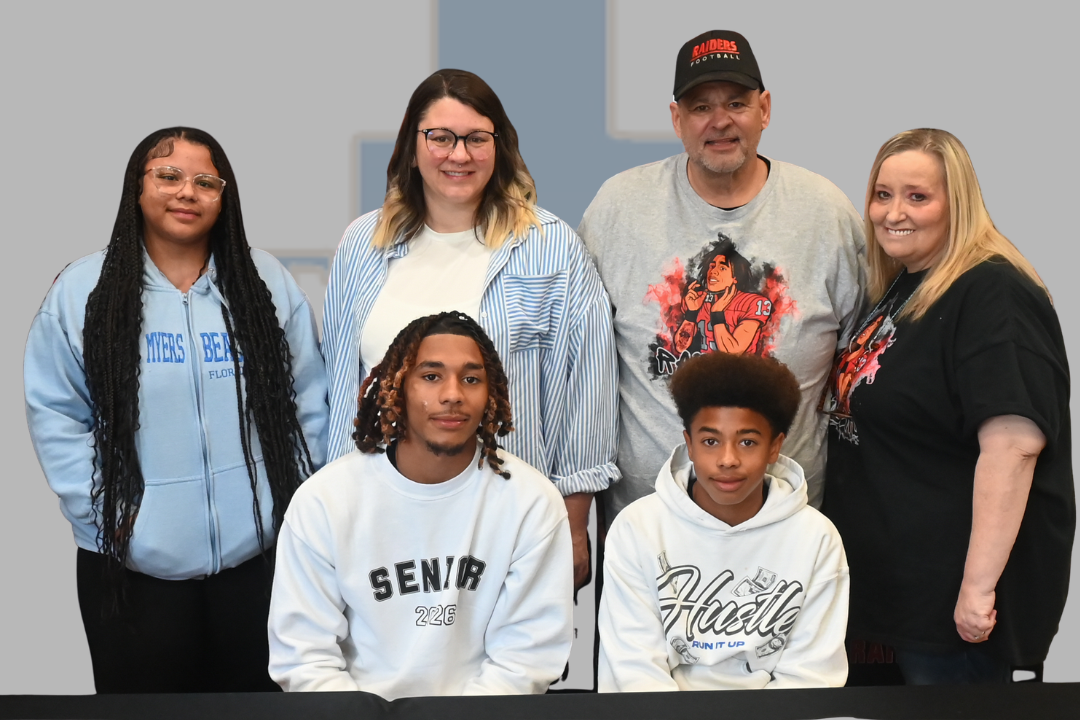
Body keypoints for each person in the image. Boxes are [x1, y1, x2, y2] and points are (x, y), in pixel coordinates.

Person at [23, 127, 329, 693]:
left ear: (224, 196)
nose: (186, 191)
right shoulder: (83, 291)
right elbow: (56, 411)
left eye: (205, 181)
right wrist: (107, 518)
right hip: (131, 570)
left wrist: (297, 505)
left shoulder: (264, 283)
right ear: (136, 189)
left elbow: (308, 399)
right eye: (168, 176)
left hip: (259, 564)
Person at [323, 69, 618, 589]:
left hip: (504, 521)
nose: (458, 155)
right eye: (440, 137)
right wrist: (332, 509)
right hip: (379, 521)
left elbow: (585, 394)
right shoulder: (361, 245)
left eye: (477, 138)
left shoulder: (550, 247)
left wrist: (574, 527)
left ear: (499, 148)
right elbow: (341, 388)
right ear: (410, 149)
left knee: (508, 667)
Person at [579, 30, 866, 520]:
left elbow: (859, 363)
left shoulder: (825, 213)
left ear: (765, 109)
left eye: (736, 102)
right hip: (648, 525)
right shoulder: (618, 207)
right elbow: (578, 362)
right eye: (700, 107)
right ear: (676, 119)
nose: (720, 122)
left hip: (788, 525)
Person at [822, 128, 1074, 684]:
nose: (893, 212)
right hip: (891, 598)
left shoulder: (991, 292)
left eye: (917, 196)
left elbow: (1014, 446)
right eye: (882, 194)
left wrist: (977, 591)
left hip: (949, 613)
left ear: (956, 203)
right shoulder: (907, 285)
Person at [268, 312, 574, 697]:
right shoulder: (325, 501)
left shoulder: (532, 502)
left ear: (490, 394)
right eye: (431, 376)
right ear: (396, 388)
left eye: (471, 379)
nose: (452, 394)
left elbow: (526, 659)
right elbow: (304, 657)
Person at [598, 351, 848, 691]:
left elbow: (811, 675)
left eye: (747, 442)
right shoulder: (637, 528)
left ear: (775, 448)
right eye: (710, 441)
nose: (727, 460)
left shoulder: (816, 537)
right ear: (688, 444)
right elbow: (635, 668)